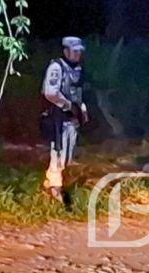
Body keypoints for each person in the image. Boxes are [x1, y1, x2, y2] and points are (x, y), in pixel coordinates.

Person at [40, 36, 89, 201]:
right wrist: (69, 106)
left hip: (72, 119)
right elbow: (50, 93)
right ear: (66, 51)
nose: (77, 55)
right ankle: (54, 187)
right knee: (58, 152)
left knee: (68, 156)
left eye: (79, 52)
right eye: (74, 52)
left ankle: (50, 181)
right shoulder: (56, 67)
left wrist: (82, 110)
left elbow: (78, 92)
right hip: (57, 117)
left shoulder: (77, 69)